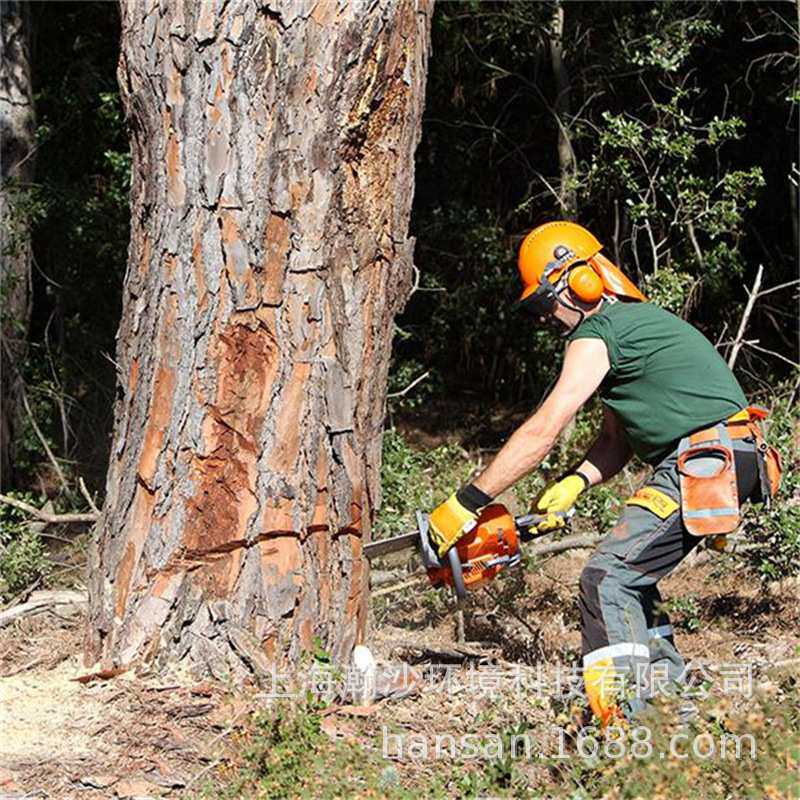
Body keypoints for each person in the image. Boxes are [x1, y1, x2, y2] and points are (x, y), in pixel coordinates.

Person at [427, 221, 782, 725]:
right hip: (725, 453)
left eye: (544, 301)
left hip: (706, 457)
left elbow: (546, 426)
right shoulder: (633, 331)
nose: (545, 317)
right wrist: (574, 483)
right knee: (634, 579)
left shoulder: (600, 333)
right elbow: (614, 442)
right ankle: (670, 715)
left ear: (578, 282)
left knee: (604, 578)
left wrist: (468, 501)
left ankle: (629, 732)